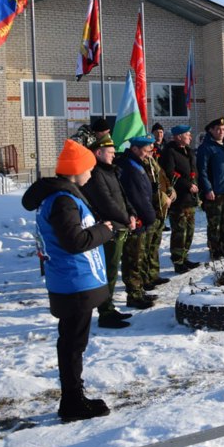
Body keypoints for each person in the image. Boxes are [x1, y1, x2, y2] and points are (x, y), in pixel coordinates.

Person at [21, 139, 114, 422]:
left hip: (72, 281)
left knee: (74, 342)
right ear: (76, 170)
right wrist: (104, 231)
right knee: (73, 344)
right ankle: (72, 402)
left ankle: (74, 397)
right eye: (89, 169)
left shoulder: (63, 196)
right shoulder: (63, 200)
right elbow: (74, 241)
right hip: (73, 283)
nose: (91, 174)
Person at [80, 135, 137, 329]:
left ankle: (109, 307)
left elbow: (122, 196)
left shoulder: (111, 171)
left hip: (119, 226)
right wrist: (125, 219)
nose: (114, 155)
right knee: (108, 272)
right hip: (109, 229)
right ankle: (105, 312)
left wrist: (131, 213)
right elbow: (106, 202)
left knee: (112, 270)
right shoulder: (96, 173)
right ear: (98, 152)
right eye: (110, 152)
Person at [117, 134, 159, 309]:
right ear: (134, 149)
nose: (149, 152)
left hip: (142, 219)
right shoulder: (129, 166)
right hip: (136, 220)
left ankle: (139, 290)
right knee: (132, 260)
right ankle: (133, 295)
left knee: (139, 259)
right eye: (146, 149)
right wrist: (150, 216)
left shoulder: (136, 163)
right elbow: (137, 196)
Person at [197, 117, 224, 258]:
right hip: (215, 192)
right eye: (218, 129)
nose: (221, 132)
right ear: (211, 130)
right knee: (215, 222)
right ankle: (215, 249)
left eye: (223, 129)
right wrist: (208, 189)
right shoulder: (206, 147)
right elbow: (202, 171)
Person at [160, 125, 201, 274]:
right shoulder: (170, 151)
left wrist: (195, 183)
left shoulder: (188, 151)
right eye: (187, 134)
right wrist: (187, 185)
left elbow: (193, 170)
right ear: (178, 136)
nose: (190, 136)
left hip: (190, 199)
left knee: (189, 231)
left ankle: (185, 257)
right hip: (179, 199)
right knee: (179, 231)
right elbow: (170, 173)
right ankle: (177, 261)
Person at [141, 142, 174, 291]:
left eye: (152, 148)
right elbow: (148, 188)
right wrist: (161, 197)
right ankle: (145, 277)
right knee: (146, 247)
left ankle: (153, 274)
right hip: (151, 208)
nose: (151, 150)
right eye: (149, 147)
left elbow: (163, 177)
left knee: (155, 244)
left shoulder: (154, 162)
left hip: (161, 209)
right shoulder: (141, 166)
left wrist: (171, 189)